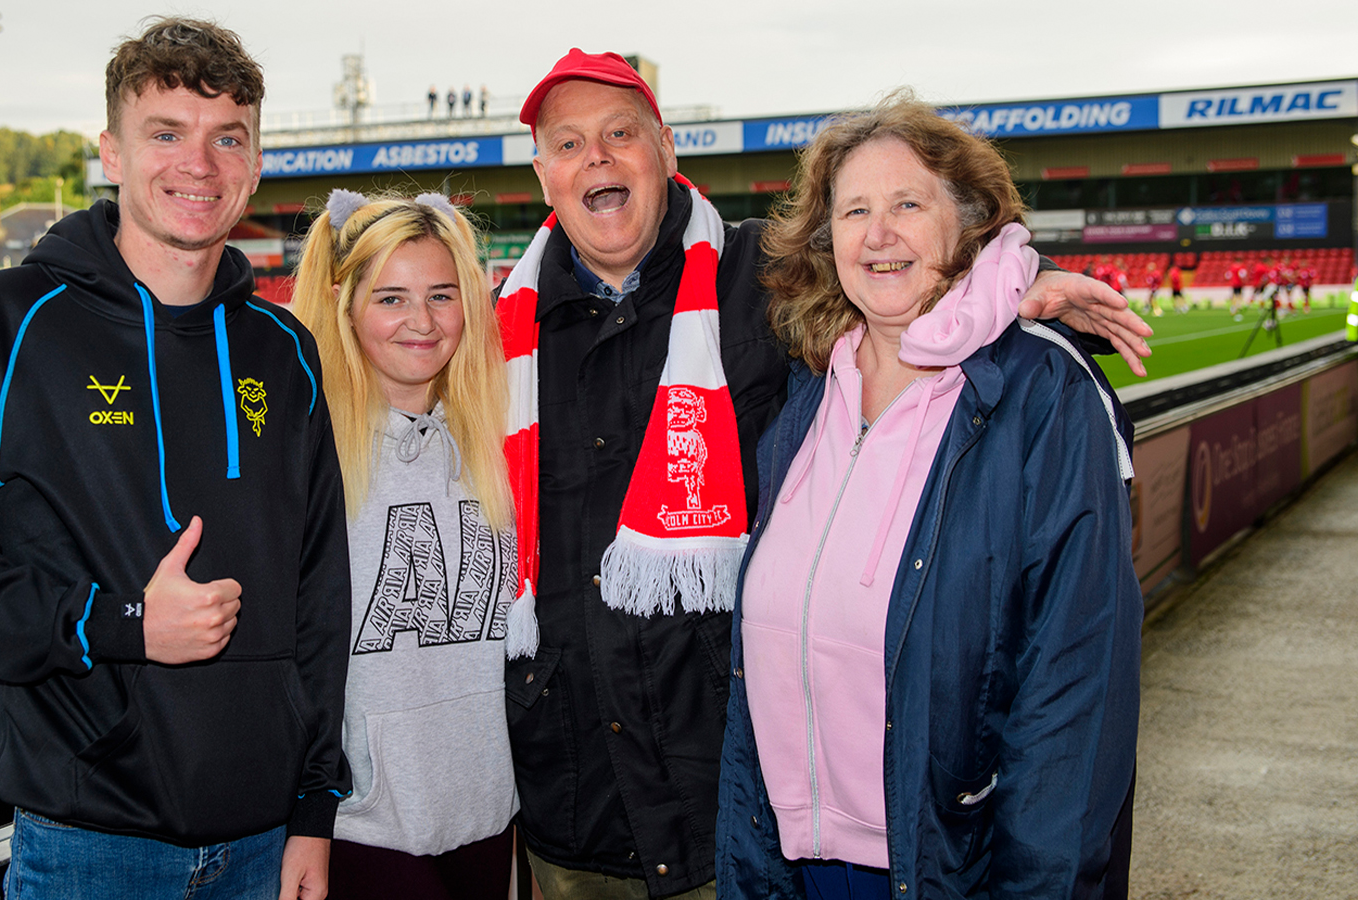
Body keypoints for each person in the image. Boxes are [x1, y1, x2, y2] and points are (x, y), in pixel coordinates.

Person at [497, 48, 1152, 900]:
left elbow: (898, 254)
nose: (599, 159)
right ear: (543, 173)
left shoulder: (758, 284)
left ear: (664, 147)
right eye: (571, 144)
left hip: (725, 814)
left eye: (621, 134)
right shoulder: (492, 330)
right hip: (586, 804)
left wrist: (1023, 274)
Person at [0, 17, 351, 899]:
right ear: (111, 153)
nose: (198, 165)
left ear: (255, 162)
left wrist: (316, 807)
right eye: (165, 134)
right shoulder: (9, 322)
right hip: (88, 844)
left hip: (265, 842)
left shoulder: (287, 351)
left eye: (227, 139)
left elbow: (323, 593)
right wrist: (121, 623)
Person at [715, 94, 1142, 900]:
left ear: (969, 223)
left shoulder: (1041, 391)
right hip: (794, 863)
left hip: (949, 866)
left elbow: (1074, 697)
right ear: (826, 236)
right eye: (854, 210)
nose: (878, 234)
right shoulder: (806, 393)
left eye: (908, 204)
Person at [290, 191, 520, 900]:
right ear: (344, 305)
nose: (421, 322)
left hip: (493, 819)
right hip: (361, 830)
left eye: (442, 295)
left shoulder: (500, 440)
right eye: (391, 297)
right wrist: (309, 815)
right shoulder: (305, 454)